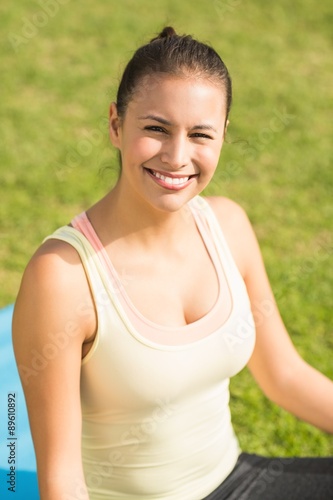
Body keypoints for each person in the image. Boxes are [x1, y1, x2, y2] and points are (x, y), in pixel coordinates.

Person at [12, 26, 333, 500]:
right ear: (116, 125)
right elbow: (61, 479)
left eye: (200, 134)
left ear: (224, 135)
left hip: (239, 481)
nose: (177, 156)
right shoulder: (63, 277)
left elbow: (284, 375)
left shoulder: (228, 225)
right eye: (156, 128)